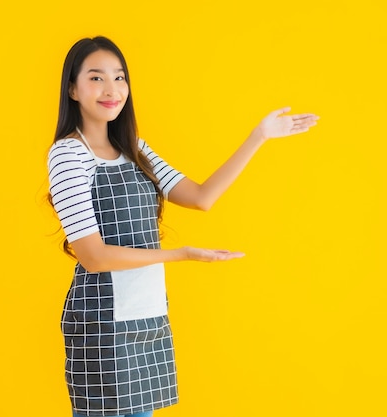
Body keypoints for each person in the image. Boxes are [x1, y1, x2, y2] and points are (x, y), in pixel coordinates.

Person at [47, 36, 319, 417]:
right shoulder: (68, 154)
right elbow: (93, 257)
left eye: (120, 77)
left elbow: (201, 196)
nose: (112, 89)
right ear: (73, 89)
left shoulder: (135, 148)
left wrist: (259, 137)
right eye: (96, 78)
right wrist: (183, 254)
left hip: (147, 312)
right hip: (102, 320)